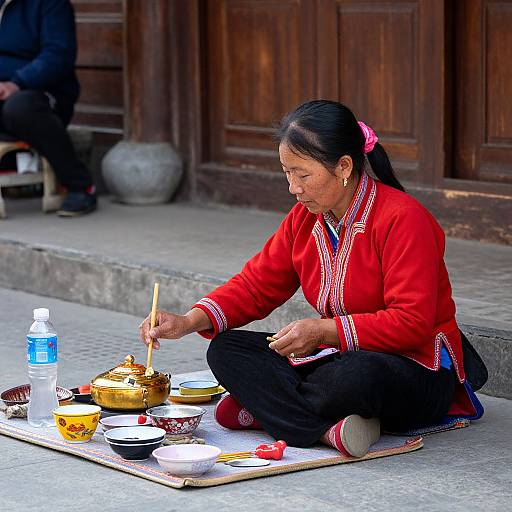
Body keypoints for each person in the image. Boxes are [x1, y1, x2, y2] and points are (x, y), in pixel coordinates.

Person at [140, 100, 484, 458]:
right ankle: (326, 431)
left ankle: (268, 411)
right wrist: (187, 321)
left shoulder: (404, 219)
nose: (293, 187)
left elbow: (412, 322)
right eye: (286, 173)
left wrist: (323, 332)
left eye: (302, 175)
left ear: (344, 167)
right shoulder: (304, 219)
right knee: (227, 350)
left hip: (415, 370)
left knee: (352, 378)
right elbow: (256, 285)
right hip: (339, 355)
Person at [0, 0, 96, 216]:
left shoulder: (51, 4)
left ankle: (80, 185)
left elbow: (58, 54)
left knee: (20, 107)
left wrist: (16, 83)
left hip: (38, 95)